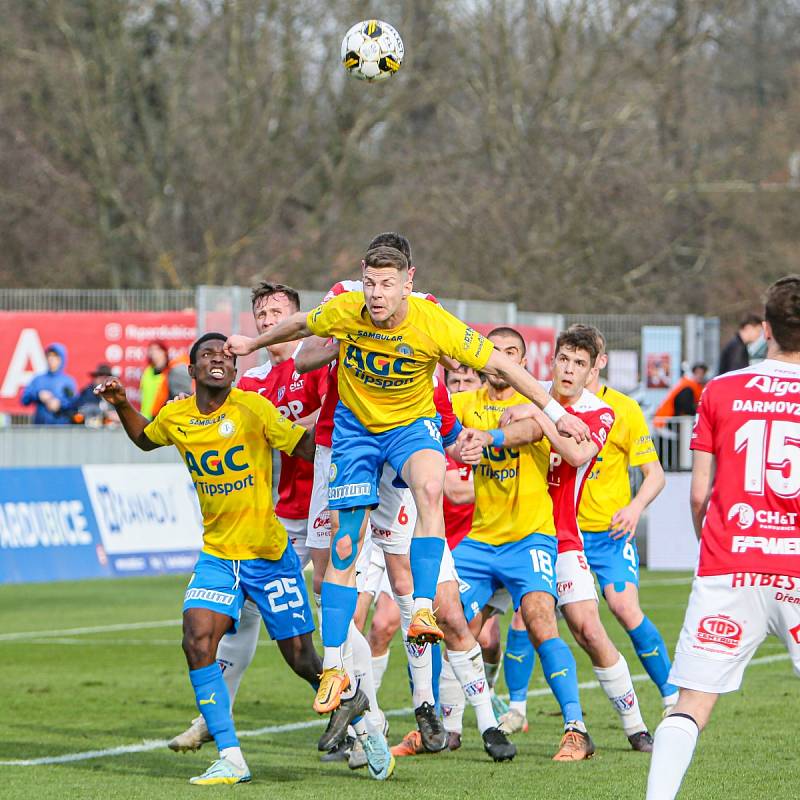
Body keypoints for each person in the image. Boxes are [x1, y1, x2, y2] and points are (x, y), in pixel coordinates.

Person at [226, 245, 591, 721]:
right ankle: (334, 664)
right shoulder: (344, 309)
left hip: (409, 429)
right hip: (356, 434)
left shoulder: (432, 322)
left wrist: (557, 413)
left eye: (387, 285)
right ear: (363, 280)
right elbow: (300, 329)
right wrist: (250, 346)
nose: (377, 295)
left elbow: (503, 368)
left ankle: (421, 609)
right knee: (342, 546)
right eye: (371, 284)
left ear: (408, 283)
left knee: (428, 485)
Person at [95, 332, 327, 786]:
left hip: (268, 554)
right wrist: (123, 402)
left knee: (302, 660)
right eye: (208, 354)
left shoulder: (253, 409)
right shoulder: (177, 414)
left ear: (235, 371)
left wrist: (353, 416)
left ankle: (359, 721)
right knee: (197, 640)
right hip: (219, 554)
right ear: (194, 368)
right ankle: (231, 756)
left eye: (225, 355)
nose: (218, 359)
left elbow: (304, 447)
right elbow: (145, 437)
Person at [167, 285, 338, 759]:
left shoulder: (320, 362)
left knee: (337, 616)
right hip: (281, 515)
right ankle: (212, 715)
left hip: (330, 505)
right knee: (238, 620)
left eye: (276, 312)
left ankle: (361, 723)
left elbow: (334, 423)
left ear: (297, 316)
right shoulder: (253, 383)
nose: (266, 320)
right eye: (260, 313)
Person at [646, 277, 800, 799]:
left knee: (690, 704)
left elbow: (698, 494)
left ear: (766, 326)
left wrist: (709, 543)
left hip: (730, 566)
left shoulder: (722, 389)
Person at [499, 327, 654, 752]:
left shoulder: (599, 412)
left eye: (579, 364)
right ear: (552, 361)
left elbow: (576, 454)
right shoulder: (523, 396)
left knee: (588, 628)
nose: (569, 369)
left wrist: (538, 420)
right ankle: (458, 720)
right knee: (467, 625)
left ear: (591, 372)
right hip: (509, 533)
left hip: (562, 535)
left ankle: (635, 724)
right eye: (564, 359)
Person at [449, 327, 595, 761]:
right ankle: (443, 725)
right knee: (447, 623)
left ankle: (575, 728)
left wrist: (487, 437)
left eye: (513, 353)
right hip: (478, 539)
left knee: (538, 619)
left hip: (530, 536)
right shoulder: (464, 402)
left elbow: (529, 432)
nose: (504, 360)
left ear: (524, 363)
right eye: (497, 353)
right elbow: (432, 419)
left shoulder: (536, 403)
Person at [572, 325, 676, 712]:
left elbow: (656, 475)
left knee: (623, 607)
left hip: (608, 534)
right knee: (529, 616)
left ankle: (671, 696)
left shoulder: (624, 409)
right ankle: (514, 707)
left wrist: (634, 509)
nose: (576, 368)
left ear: (600, 362)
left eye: (586, 360)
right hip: (561, 533)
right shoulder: (552, 404)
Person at [20, 342, 77, 424]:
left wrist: (60, 404)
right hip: (40, 429)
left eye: (55, 356)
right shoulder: (38, 380)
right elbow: (24, 399)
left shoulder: (68, 381)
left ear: (62, 359)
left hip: (62, 429)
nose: (51, 359)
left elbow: (74, 402)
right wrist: (37, 395)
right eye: (49, 356)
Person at [139, 340, 192, 419]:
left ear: (164, 352)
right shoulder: (147, 372)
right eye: (152, 351)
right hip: (146, 418)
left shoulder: (172, 372)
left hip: (163, 417)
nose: (154, 354)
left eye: (158, 350)